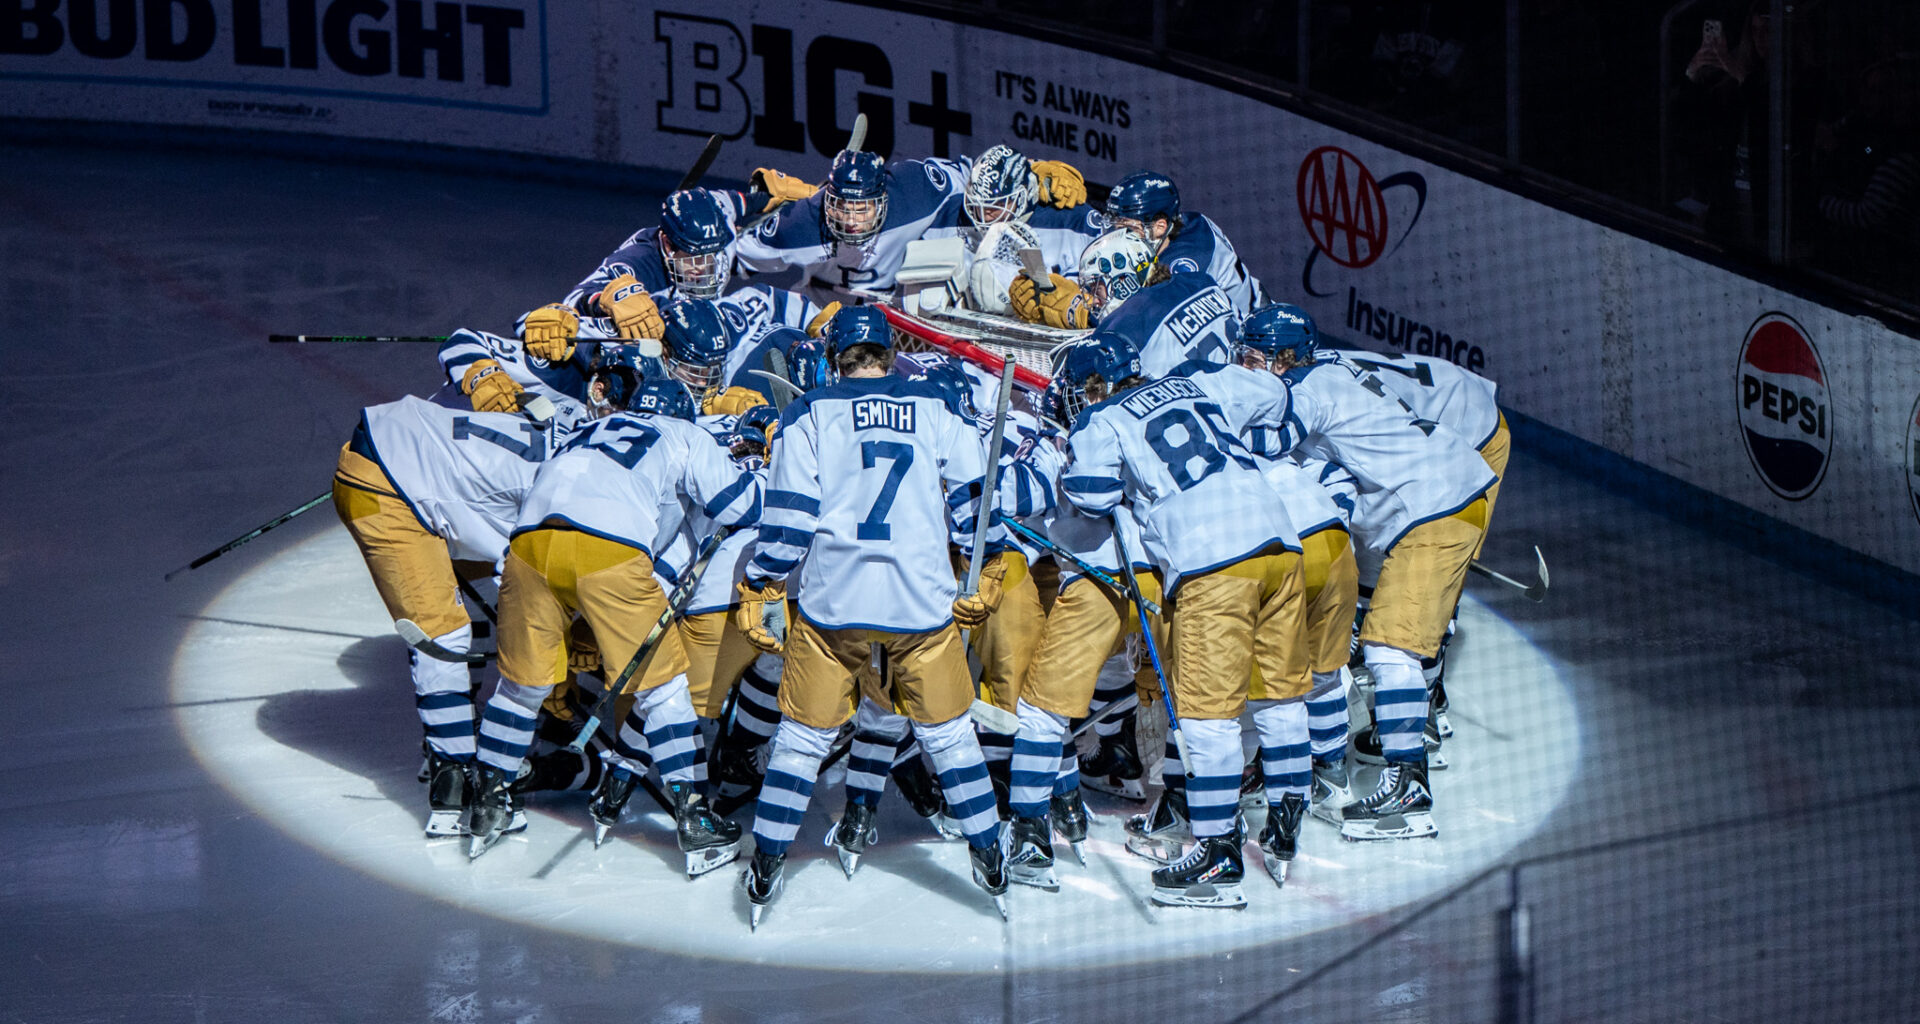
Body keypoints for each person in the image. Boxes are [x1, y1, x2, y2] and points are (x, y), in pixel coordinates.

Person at [734, 306, 1011, 928]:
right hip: (923, 604)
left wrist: (762, 581)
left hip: (835, 605)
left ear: (836, 355)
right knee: (948, 737)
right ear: (891, 351)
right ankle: (990, 854)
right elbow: (977, 500)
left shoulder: (809, 411)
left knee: (803, 738)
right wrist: (987, 564)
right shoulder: (936, 406)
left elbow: (790, 518)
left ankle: (768, 860)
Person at [467, 369, 764, 872]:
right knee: (664, 689)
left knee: (520, 685)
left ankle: (488, 803)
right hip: (608, 548)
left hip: (528, 544)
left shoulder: (583, 431)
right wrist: (756, 467)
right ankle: (695, 820)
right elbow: (739, 506)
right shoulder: (684, 433)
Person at [1059, 334, 1310, 907]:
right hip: (1279, 540)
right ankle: (1290, 807)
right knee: (1278, 697)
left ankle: (1219, 852)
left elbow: (1093, 496)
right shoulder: (1200, 382)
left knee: (1207, 715)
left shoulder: (1102, 416)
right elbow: (1275, 391)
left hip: (1211, 559)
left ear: (1095, 385)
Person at [1237, 303, 1495, 842]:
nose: (1247, 365)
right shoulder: (1323, 370)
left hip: (1433, 507)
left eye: (1256, 357)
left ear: (1284, 359)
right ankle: (1408, 763)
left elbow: (1267, 441)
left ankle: (1408, 791)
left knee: (1389, 650)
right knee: (1384, 643)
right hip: (1442, 494)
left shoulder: (1308, 392)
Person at [331, 393, 560, 838]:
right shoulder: (568, 505)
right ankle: (451, 777)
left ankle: (454, 738)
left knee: (478, 615)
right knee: (443, 636)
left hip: (423, 462)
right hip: (386, 486)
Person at [734, 148, 1084, 305]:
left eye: (864, 208)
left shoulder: (917, 190)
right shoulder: (801, 227)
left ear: (885, 197)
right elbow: (731, 255)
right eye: (843, 208)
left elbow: (972, 177)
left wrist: (1029, 170)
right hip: (826, 318)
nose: (853, 221)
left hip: (900, 324)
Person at [1008, 228, 1240, 377]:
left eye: (1093, 287)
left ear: (1121, 282)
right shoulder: (1201, 280)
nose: (1091, 299)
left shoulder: (1122, 331)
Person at [1103, 170, 1266, 314]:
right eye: (1116, 227)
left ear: (1160, 227)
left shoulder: (1185, 264)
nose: (1120, 236)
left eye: (1128, 229)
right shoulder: (1189, 221)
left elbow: (1144, 320)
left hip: (1251, 331)